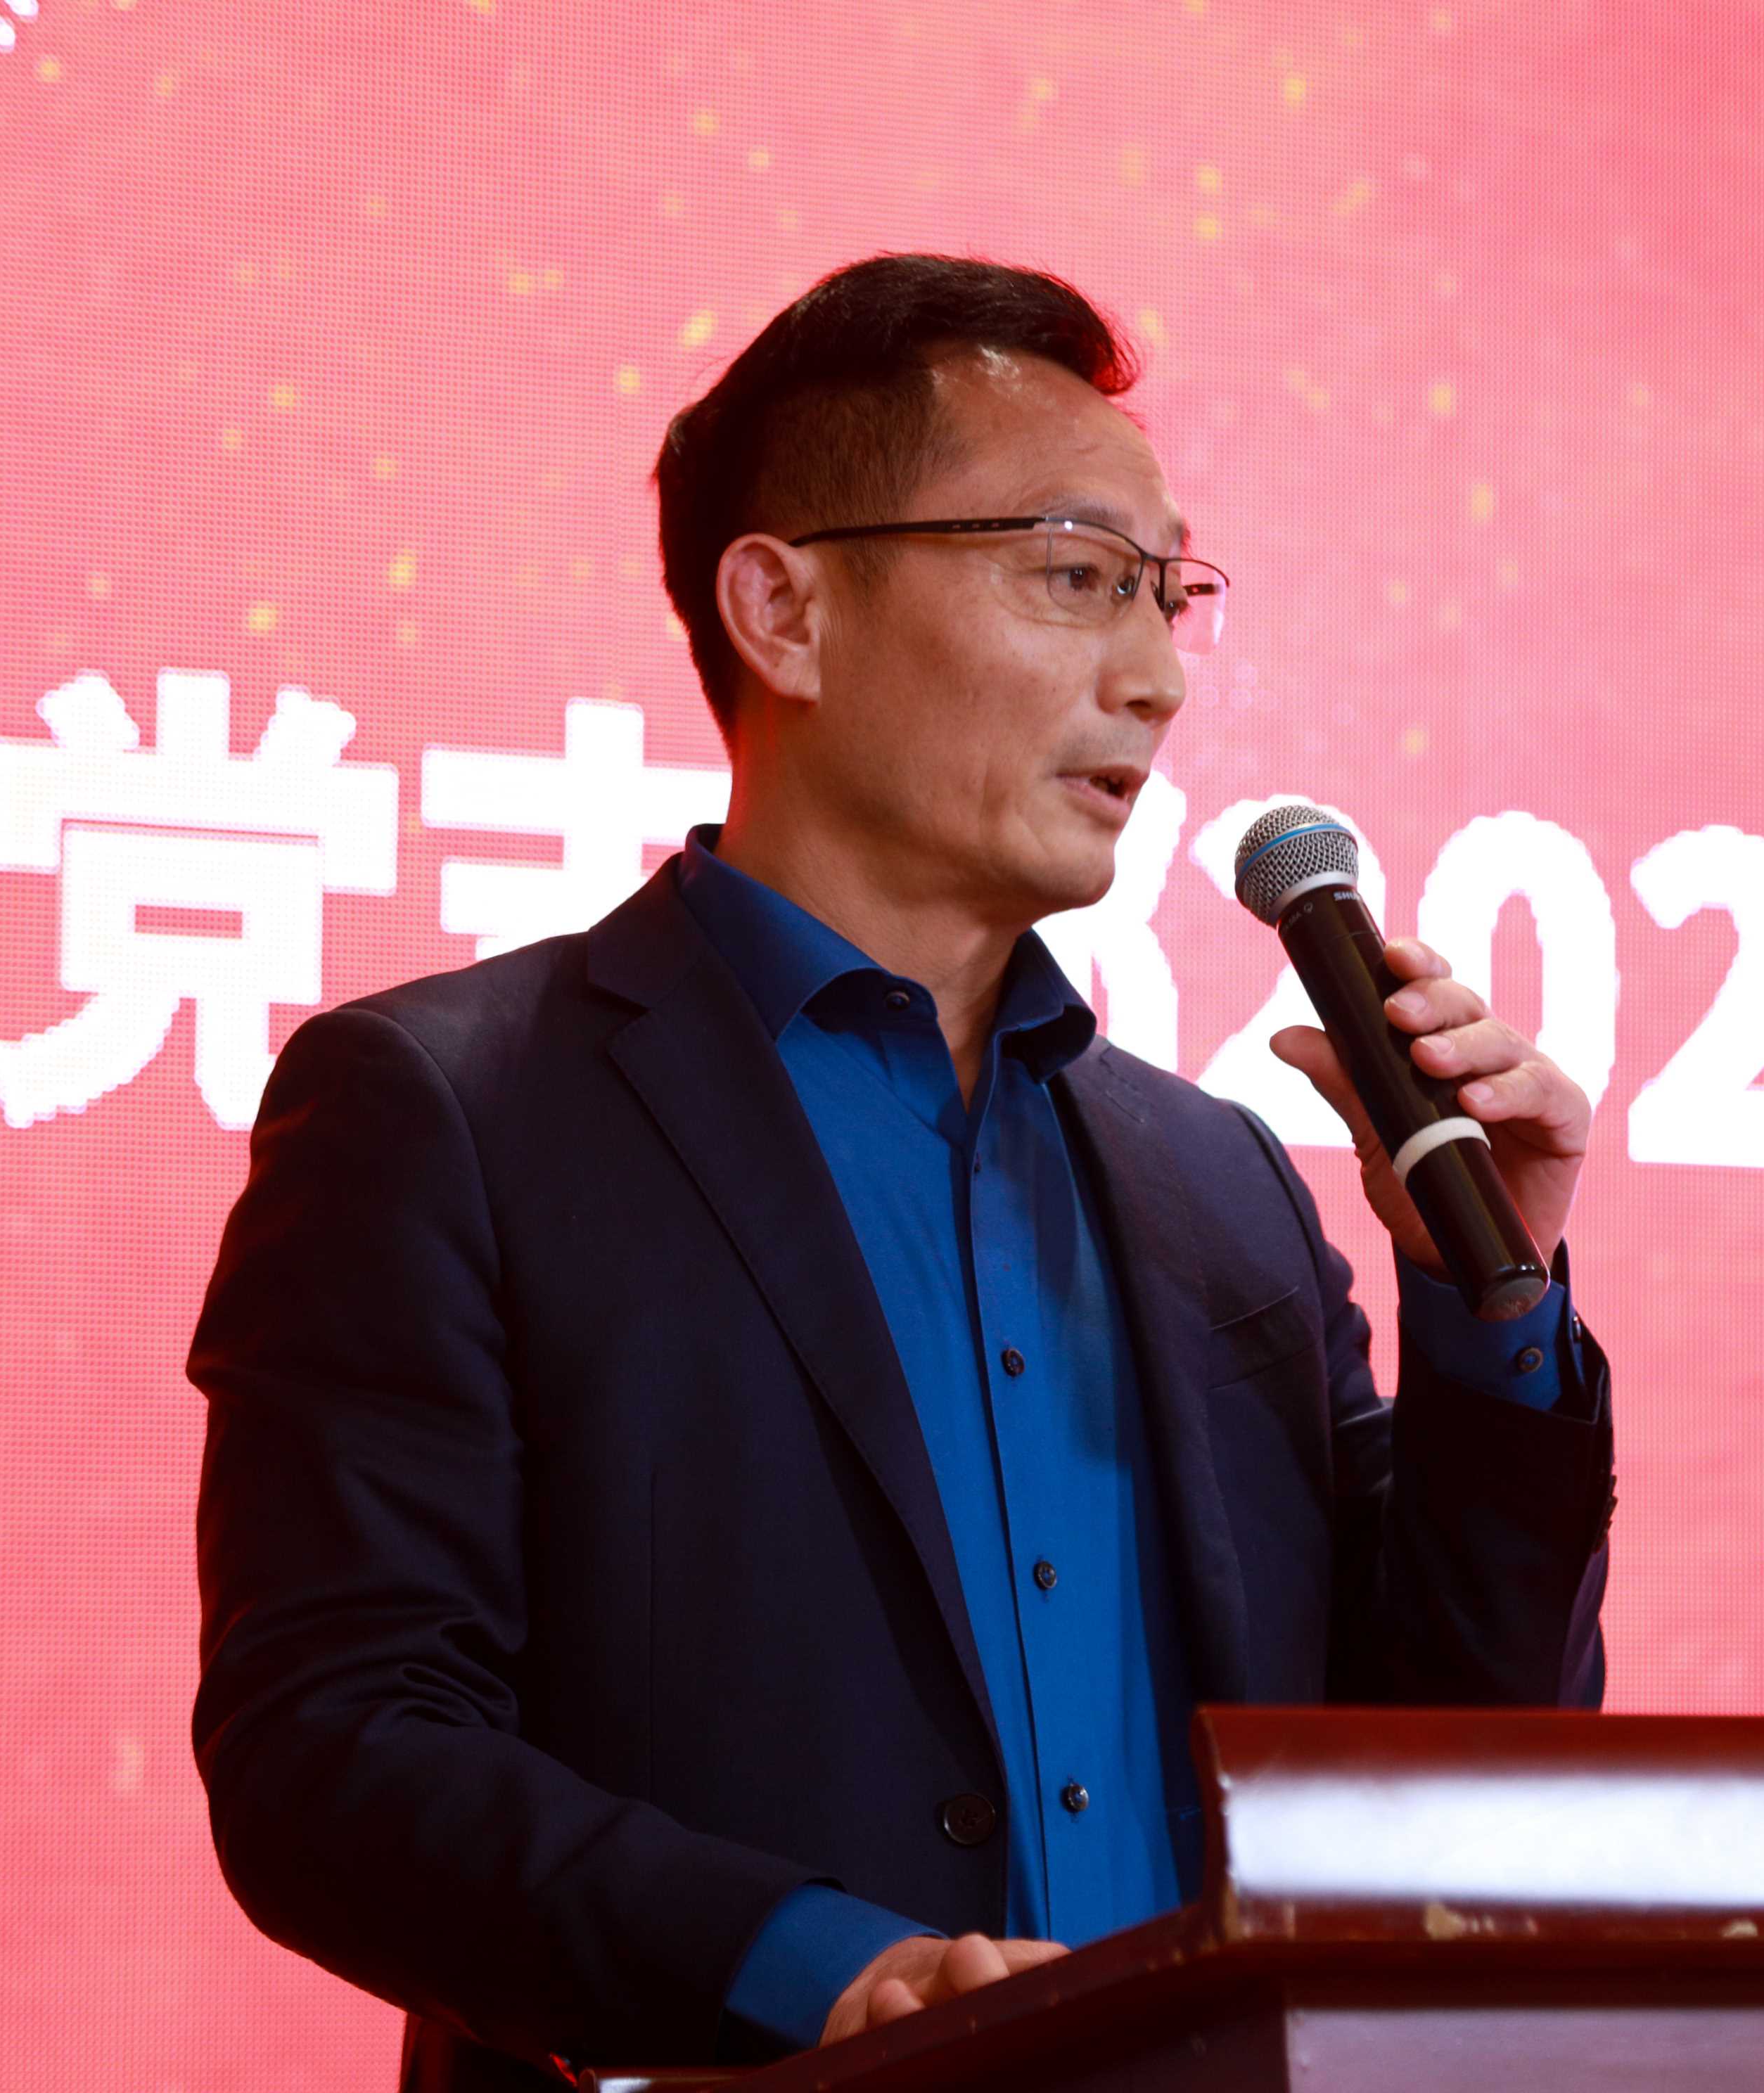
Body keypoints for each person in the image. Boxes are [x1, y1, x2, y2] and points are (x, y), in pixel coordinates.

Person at [188, 253, 1615, 2091]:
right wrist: (823, 1980)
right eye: (1077, 575)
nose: (1156, 679)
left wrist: (1493, 1303)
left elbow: (1454, 1799)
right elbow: (338, 1757)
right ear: (784, 610)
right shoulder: (452, 1113)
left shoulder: (1222, 1189)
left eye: (1170, 595)